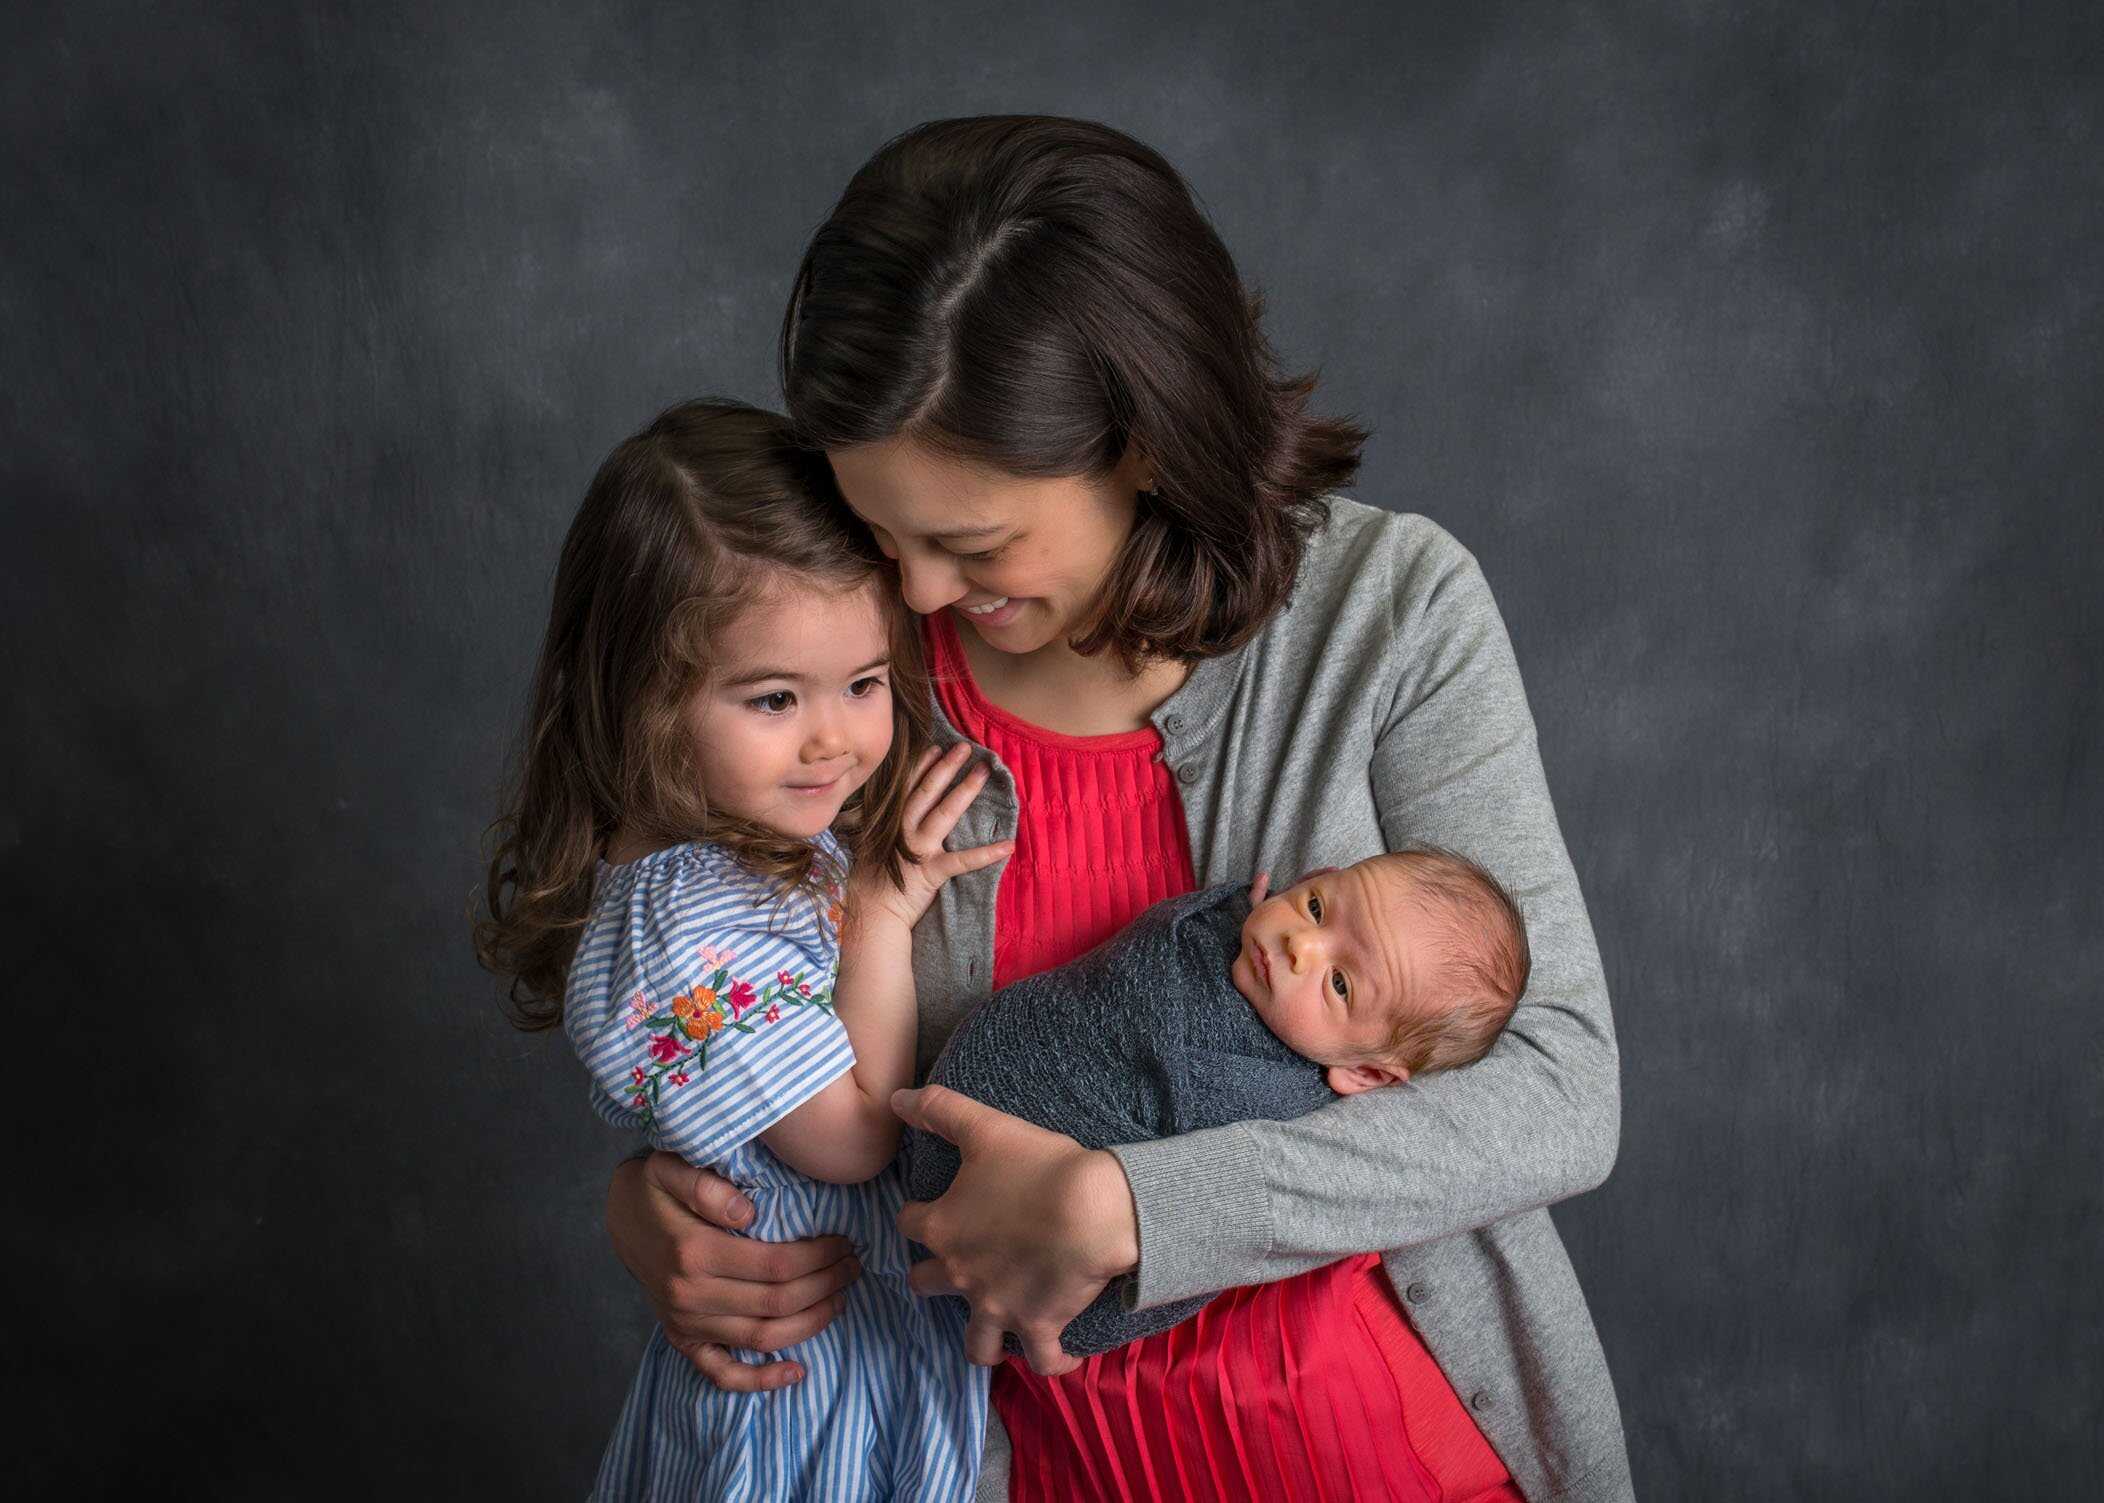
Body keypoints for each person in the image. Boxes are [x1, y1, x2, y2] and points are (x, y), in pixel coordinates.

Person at [607, 117, 1633, 1503]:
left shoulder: (1390, 613)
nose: (912, 593)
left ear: (1145, 444)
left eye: (969, 545)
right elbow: (745, 985)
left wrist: (1140, 1211)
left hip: (1387, 1453)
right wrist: (666, 1200)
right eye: (880, 531)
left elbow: (1561, 1089)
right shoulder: (842, 682)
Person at [477, 400, 1011, 1500]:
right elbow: (855, 1136)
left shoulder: (749, 843)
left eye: (865, 682)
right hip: (802, 1389)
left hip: (855, 1352)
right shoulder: (687, 927)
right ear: (645, 703)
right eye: (773, 698)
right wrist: (885, 908)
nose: (837, 738)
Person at [905, 850, 1530, 1358]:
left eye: (1339, 984)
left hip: (1038, 1262)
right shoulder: (1244, 933)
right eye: (1315, 907)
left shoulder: (1261, 1096)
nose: (1300, 946)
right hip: (954, 1116)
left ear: (1364, 1072)